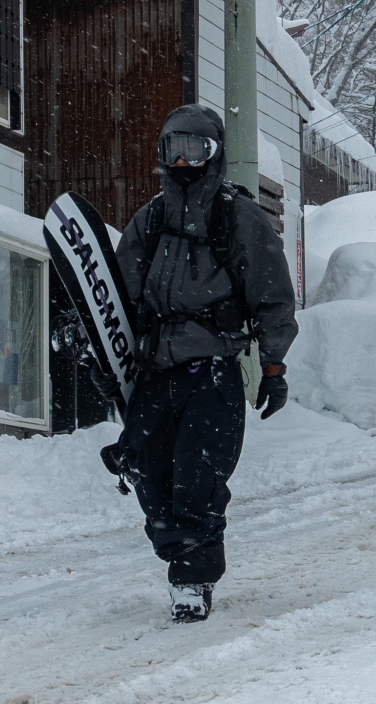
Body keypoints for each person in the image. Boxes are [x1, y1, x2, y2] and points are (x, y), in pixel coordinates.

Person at [113, 104, 298, 623]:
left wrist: (273, 366)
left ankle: (192, 580)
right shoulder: (149, 220)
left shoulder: (239, 217)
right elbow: (123, 293)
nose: (183, 160)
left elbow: (273, 296)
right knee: (150, 476)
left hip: (212, 371)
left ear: (213, 154)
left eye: (194, 149)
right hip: (156, 369)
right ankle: (180, 555)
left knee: (198, 478)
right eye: (173, 148)